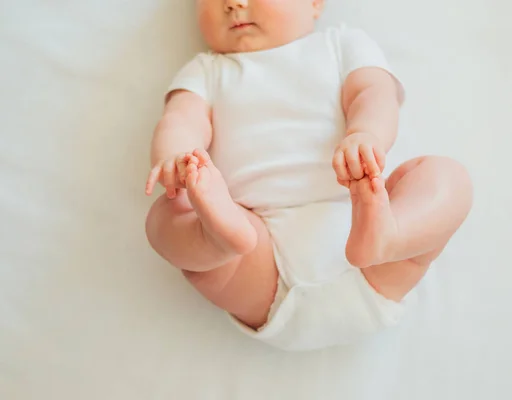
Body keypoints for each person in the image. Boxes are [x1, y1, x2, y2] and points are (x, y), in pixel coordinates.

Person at [145, 0, 473, 351]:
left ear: (315, 3)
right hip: (259, 262)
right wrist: (177, 156)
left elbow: (375, 94)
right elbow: (181, 120)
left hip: (365, 237)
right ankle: (218, 238)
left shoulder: (342, 44)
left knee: (446, 177)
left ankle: (392, 234)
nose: (234, 4)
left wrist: (366, 135)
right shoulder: (206, 71)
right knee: (166, 217)